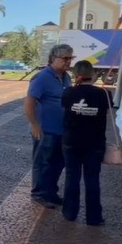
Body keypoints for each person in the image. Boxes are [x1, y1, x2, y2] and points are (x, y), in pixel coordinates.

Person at [25, 44, 73, 209]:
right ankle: (39, 194)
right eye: (65, 58)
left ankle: (51, 192)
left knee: (58, 163)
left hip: (62, 130)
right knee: (43, 163)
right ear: (53, 58)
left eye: (70, 58)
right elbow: (29, 104)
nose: (68, 62)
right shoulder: (42, 77)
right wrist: (34, 125)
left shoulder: (66, 77)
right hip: (45, 130)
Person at [61, 61, 108, 226]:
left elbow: (64, 109)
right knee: (92, 180)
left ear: (75, 75)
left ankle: (69, 213)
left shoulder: (68, 93)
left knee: (71, 177)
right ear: (93, 74)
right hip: (94, 143)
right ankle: (94, 217)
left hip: (71, 141)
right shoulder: (103, 94)